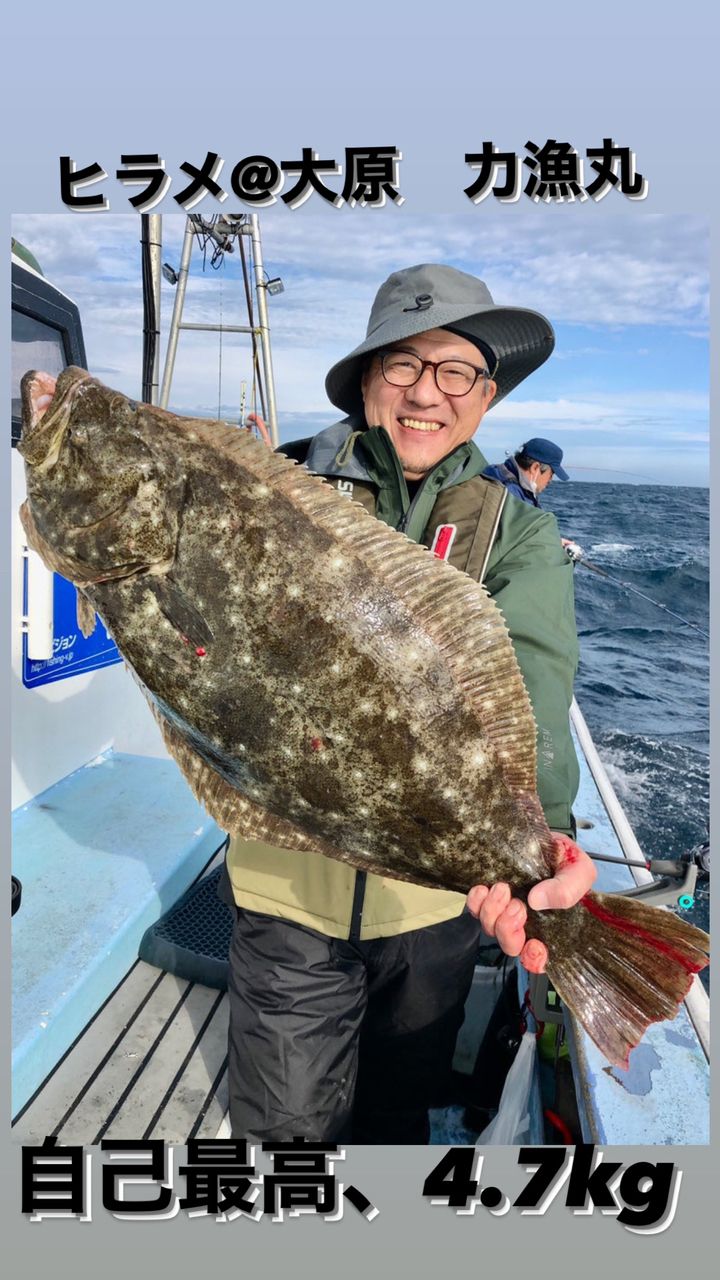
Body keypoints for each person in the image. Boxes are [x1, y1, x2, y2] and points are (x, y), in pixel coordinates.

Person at [222, 263, 595, 1144]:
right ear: (365, 379)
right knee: (285, 1136)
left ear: (485, 395)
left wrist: (549, 846)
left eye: (455, 370)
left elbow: (533, 692)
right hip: (288, 890)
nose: (427, 393)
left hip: (432, 906)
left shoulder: (519, 532)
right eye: (402, 366)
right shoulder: (280, 487)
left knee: (395, 1118)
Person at [483, 437, 569, 506]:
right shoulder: (513, 494)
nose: (550, 480)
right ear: (535, 467)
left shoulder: (494, 472)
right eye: (551, 474)